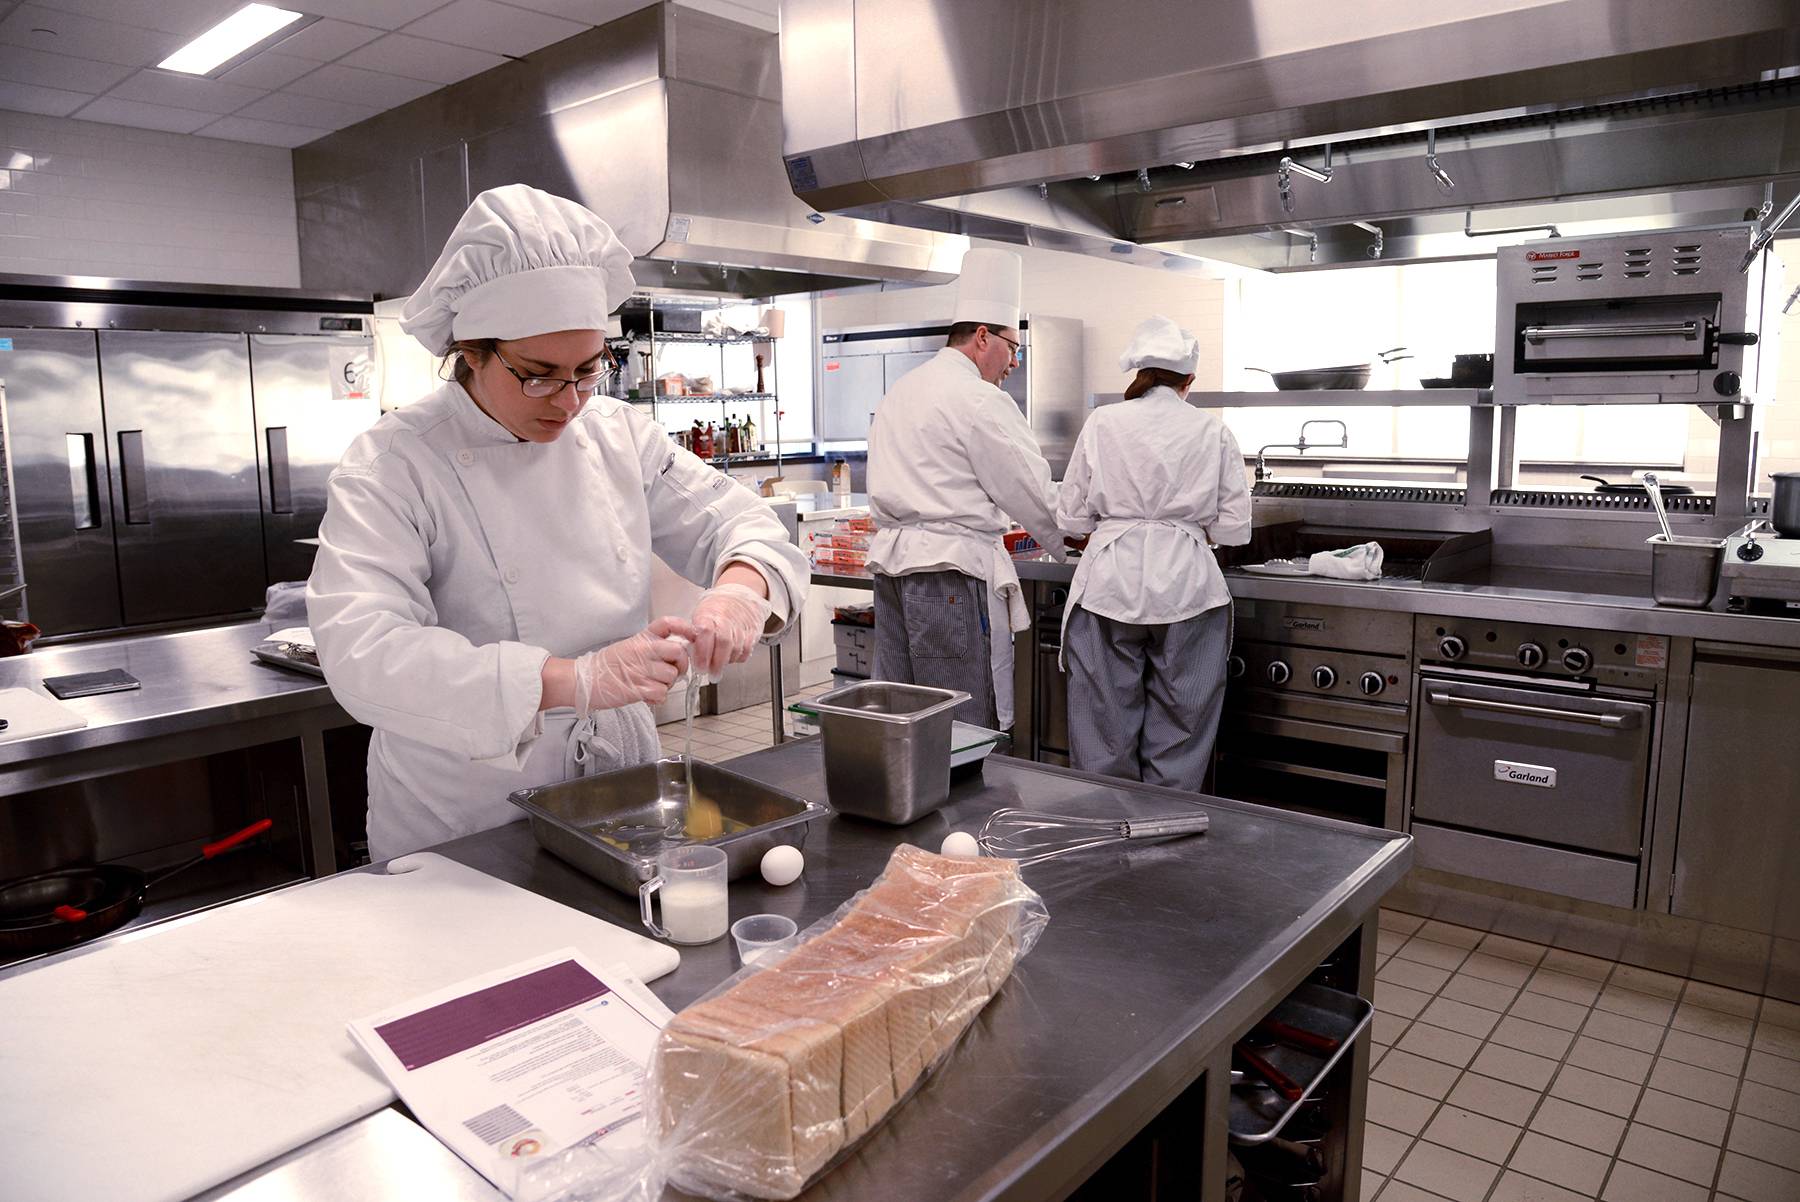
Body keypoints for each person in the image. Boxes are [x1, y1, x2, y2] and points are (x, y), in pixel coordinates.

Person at [307, 185, 808, 860]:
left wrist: (739, 592)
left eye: (587, 370)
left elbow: (736, 520)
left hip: (618, 784)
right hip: (466, 808)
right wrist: (574, 681)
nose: (569, 401)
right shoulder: (395, 462)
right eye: (538, 375)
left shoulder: (618, 434)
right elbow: (365, 653)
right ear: (473, 352)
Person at [866, 248, 1064, 730]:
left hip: (892, 572)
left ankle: (910, 801)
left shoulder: (903, 389)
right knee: (962, 725)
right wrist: (1076, 535)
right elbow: (1033, 494)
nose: (1014, 361)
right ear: (982, 337)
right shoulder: (980, 399)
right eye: (1012, 347)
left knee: (904, 719)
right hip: (950, 576)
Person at [1056, 316, 1250, 788]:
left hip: (1108, 586)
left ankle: (1108, 833)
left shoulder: (1103, 421)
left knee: (1102, 729)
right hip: (1190, 591)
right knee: (1182, 728)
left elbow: (1071, 519)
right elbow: (1235, 529)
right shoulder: (1213, 430)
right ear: (1189, 380)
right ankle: (1167, 839)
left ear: (1140, 374)